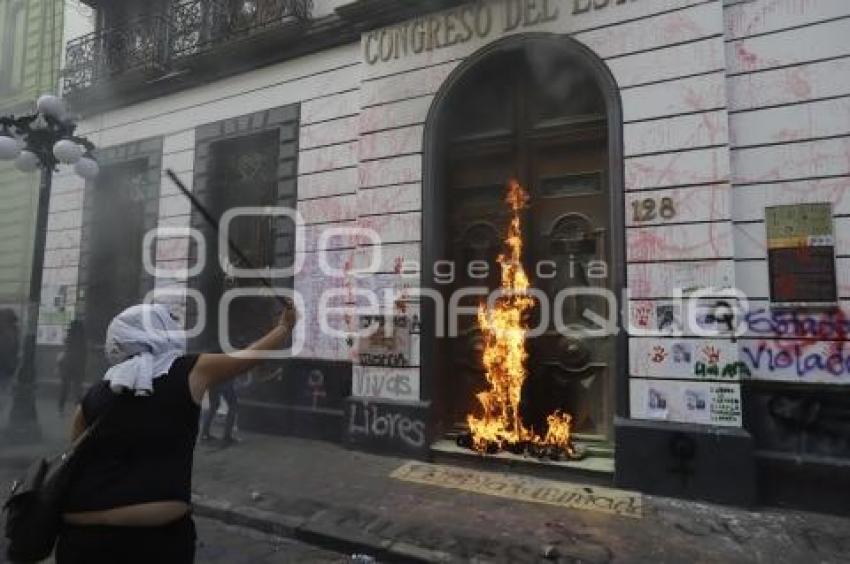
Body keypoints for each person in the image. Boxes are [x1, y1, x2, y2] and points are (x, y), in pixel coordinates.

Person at [57, 302, 297, 563]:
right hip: (155, 542)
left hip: (81, 536)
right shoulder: (188, 371)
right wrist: (284, 327)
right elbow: (246, 358)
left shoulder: (94, 395)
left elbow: (71, 464)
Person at [57, 320, 88, 415]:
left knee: (65, 387)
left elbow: (66, 351)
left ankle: (60, 408)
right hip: (78, 366)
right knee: (77, 388)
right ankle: (79, 410)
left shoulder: (69, 337)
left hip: (68, 365)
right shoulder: (82, 339)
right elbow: (84, 354)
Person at [200, 379, 239, 445]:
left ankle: (204, 434)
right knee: (233, 406)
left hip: (212, 381)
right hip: (225, 381)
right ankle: (227, 436)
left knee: (213, 406)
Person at [0, 309, 19, 412]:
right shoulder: (13, 331)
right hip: (7, 367)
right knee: (4, 393)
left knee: (4, 393)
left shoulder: (11, 331)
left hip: (6, 367)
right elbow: (12, 349)